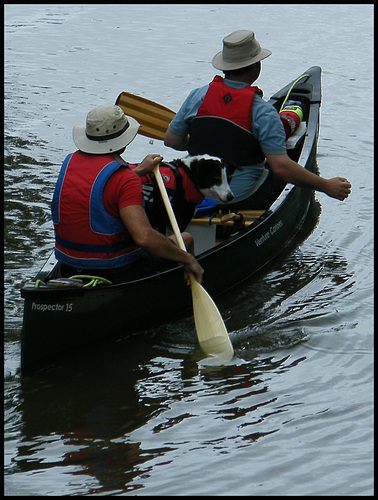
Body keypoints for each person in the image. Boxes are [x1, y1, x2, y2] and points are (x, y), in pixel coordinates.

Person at [164, 29, 351, 209]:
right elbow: (281, 168)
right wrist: (326, 185)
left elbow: (172, 140)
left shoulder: (197, 96)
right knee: (283, 172)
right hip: (236, 197)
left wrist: (209, 144)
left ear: (226, 66)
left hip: (194, 191)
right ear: (256, 66)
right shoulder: (263, 112)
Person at [51, 104, 203, 285]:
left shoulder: (69, 163)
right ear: (124, 141)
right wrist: (187, 259)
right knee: (185, 239)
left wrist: (138, 171)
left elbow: (99, 185)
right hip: (116, 271)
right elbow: (144, 237)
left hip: (69, 265)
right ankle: (186, 284)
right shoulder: (124, 179)